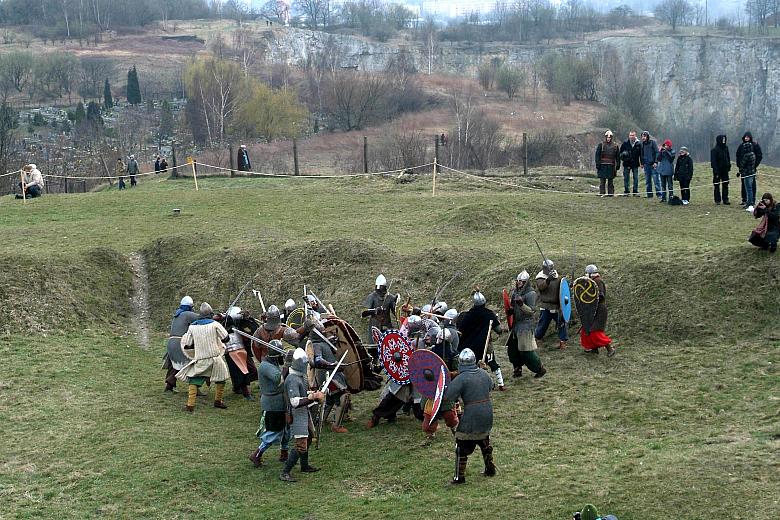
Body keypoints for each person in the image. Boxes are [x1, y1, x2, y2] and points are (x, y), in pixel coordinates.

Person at [446, 348, 496, 485]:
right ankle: (490, 468)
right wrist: (482, 370)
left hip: (473, 413)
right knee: (484, 440)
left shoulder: (461, 378)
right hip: (487, 411)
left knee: (461, 444)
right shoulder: (483, 374)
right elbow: (492, 385)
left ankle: (459, 478)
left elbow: (449, 396)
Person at [176, 302, 231, 412]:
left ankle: (190, 405)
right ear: (211, 314)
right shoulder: (215, 324)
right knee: (221, 379)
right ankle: (217, 401)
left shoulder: (192, 327)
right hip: (215, 358)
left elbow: (188, 345)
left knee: (194, 380)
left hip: (201, 358)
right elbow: (226, 338)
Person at [280, 348, 325, 482]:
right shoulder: (292, 379)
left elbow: (304, 395)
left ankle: (304, 466)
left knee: (310, 436)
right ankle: (285, 472)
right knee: (301, 444)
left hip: (303, 412)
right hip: (296, 414)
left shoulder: (300, 377)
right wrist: (312, 398)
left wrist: (314, 396)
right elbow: (294, 402)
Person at [249, 340, 291, 467]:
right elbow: (279, 379)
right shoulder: (265, 366)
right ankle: (256, 454)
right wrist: (287, 365)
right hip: (272, 403)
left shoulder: (272, 364)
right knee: (274, 430)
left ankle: (284, 453)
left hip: (281, 401)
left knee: (286, 429)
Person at [456, 291, 505, 391]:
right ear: (484, 302)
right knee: (492, 362)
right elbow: (499, 330)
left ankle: (473, 385)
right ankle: (500, 383)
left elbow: (460, 329)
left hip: (469, 346)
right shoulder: (489, 314)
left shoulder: (469, 314)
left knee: (471, 366)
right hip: (484, 345)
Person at [309, 322, 350, 434]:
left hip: (332, 374)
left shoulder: (322, 343)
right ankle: (336, 425)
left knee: (330, 399)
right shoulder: (316, 345)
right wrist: (333, 365)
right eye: (322, 332)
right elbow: (318, 361)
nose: (324, 333)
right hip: (329, 376)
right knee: (343, 396)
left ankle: (321, 420)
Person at [506, 270, 546, 379]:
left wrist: (522, 304)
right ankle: (517, 369)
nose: (518, 283)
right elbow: (513, 308)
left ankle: (540, 369)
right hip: (516, 325)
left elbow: (531, 311)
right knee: (512, 350)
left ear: (526, 282)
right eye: (518, 281)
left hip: (525, 325)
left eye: (521, 281)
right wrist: (511, 310)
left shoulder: (531, 294)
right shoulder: (516, 293)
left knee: (526, 351)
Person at [163, 296, 199, 393]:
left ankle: (169, 387)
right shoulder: (188, 314)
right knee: (189, 364)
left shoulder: (178, 313)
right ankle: (195, 388)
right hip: (179, 343)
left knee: (173, 365)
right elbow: (202, 318)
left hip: (171, 343)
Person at [579, 265, 615, 357]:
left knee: (595, 332)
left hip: (599, 309)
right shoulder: (591, 281)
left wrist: (592, 297)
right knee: (586, 330)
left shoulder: (598, 281)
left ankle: (610, 349)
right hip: (591, 310)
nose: (586, 275)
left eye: (587, 273)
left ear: (591, 274)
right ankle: (594, 349)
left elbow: (601, 295)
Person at [534, 259, 568, 349]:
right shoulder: (540, 278)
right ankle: (538, 339)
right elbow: (541, 287)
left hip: (557, 305)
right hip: (546, 306)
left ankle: (563, 342)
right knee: (543, 324)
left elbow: (562, 288)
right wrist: (548, 280)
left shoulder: (557, 277)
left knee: (561, 324)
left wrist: (568, 286)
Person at [362, 274, 398, 341]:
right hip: (375, 325)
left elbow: (395, 311)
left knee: (387, 345)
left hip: (387, 325)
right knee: (374, 346)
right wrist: (374, 310)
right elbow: (363, 312)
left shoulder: (389, 297)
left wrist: (395, 302)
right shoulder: (372, 296)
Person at [736, 132, 762, 212]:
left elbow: (759, 156)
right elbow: (738, 155)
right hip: (748, 171)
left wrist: (740, 169)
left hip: (748, 172)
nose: (746, 138)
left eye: (748, 137)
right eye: (745, 137)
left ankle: (750, 202)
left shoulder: (750, 152)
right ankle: (745, 200)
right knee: (746, 186)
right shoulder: (745, 148)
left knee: (750, 187)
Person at [594, 130, 619, 197]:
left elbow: (617, 156)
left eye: (610, 137)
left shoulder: (615, 146)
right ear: (605, 137)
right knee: (602, 180)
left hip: (611, 165)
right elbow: (597, 155)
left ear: (611, 138)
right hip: (602, 165)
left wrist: (618, 164)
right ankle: (602, 193)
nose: (608, 139)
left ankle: (610, 193)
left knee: (610, 181)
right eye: (607, 137)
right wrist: (597, 163)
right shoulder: (601, 145)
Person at [710, 135, 731, 205]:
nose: (724, 141)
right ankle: (717, 200)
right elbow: (713, 162)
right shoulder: (714, 150)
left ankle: (725, 199)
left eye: (725, 139)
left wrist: (728, 166)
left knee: (725, 184)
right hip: (717, 170)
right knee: (716, 185)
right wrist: (716, 171)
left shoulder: (726, 148)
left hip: (725, 170)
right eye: (723, 139)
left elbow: (728, 157)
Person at [619, 131, 642, 196]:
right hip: (626, 163)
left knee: (636, 178)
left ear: (635, 136)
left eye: (633, 135)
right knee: (626, 178)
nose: (631, 137)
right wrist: (624, 157)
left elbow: (641, 154)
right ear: (629, 136)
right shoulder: (625, 143)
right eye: (630, 135)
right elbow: (620, 153)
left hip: (635, 163)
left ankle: (635, 191)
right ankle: (626, 191)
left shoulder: (639, 144)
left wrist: (642, 163)